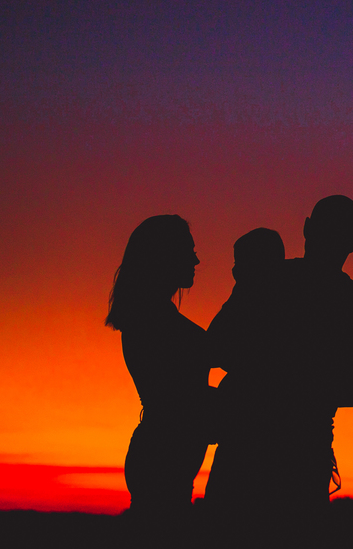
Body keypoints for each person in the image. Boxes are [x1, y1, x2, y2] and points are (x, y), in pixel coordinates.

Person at [205, 196, 353, 545]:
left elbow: (216, 348)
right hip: (288, 452)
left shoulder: (270, 281)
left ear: (306, 228)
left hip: (266, 449)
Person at [105, 214, 213, 540]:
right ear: (164, 256)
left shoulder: (155, 315)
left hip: (162, 457)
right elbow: (181, 398)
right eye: (188, 251)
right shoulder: (153, 320)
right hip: (162, 460)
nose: (196, 259)